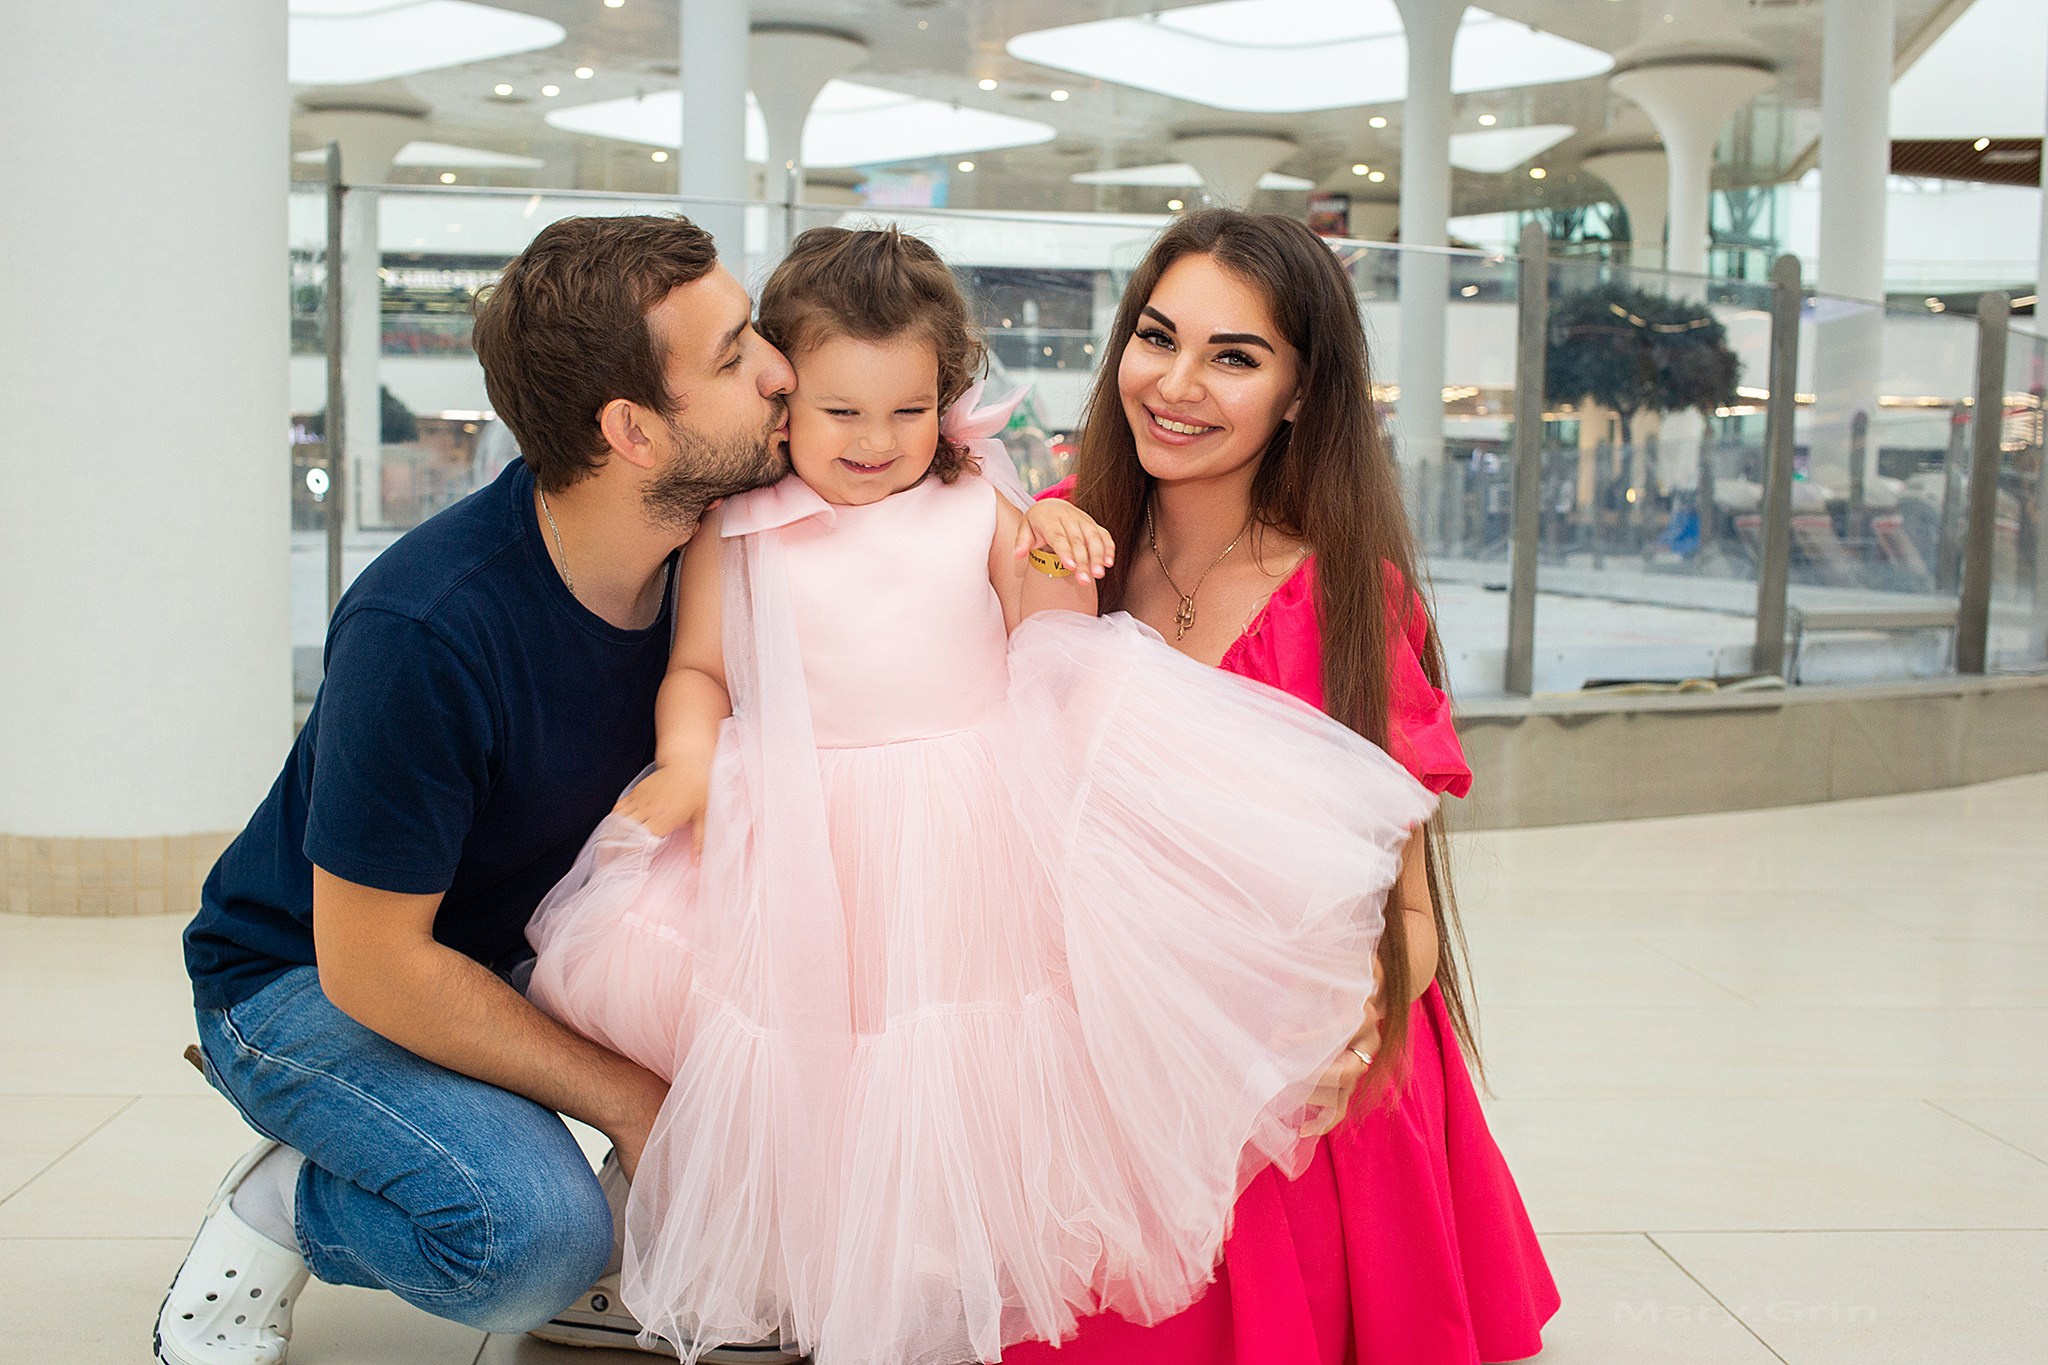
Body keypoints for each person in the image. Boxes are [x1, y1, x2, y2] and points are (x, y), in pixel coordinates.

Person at [521, 225, 1438, 1365]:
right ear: (783, 400)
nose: (874, 442)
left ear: (946, 404)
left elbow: (1054, 657)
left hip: (954, 833)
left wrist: (1047, 546)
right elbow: (699, 667)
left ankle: (930, 1276)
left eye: (907, 413)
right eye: (839, 412)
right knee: (796, 1068)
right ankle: (786, 1269)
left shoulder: (974, 504)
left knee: (950, 1067)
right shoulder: (737, 527)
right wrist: (690, 755)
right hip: (798, 840)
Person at [157, 214, 800, 1365]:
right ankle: (285, 1207)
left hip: (510, 946)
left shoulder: (720, 554)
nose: (780, 372)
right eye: (734, 353)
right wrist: (630, 1102)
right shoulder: (428, 626)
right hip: (311, 977)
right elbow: (372, 963)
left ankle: (598, 1218)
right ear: (632, 431)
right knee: (525, 1241)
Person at [1005, 209, 1561, 1365]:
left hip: (1293, 1092)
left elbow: (1405, 916)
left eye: (1234, 357)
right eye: (1155, 339)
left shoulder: (1349, 602)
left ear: (1302, 395)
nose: (1175, 383)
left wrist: (1354, 1012)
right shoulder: (1059, 557)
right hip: (1091, 1068)